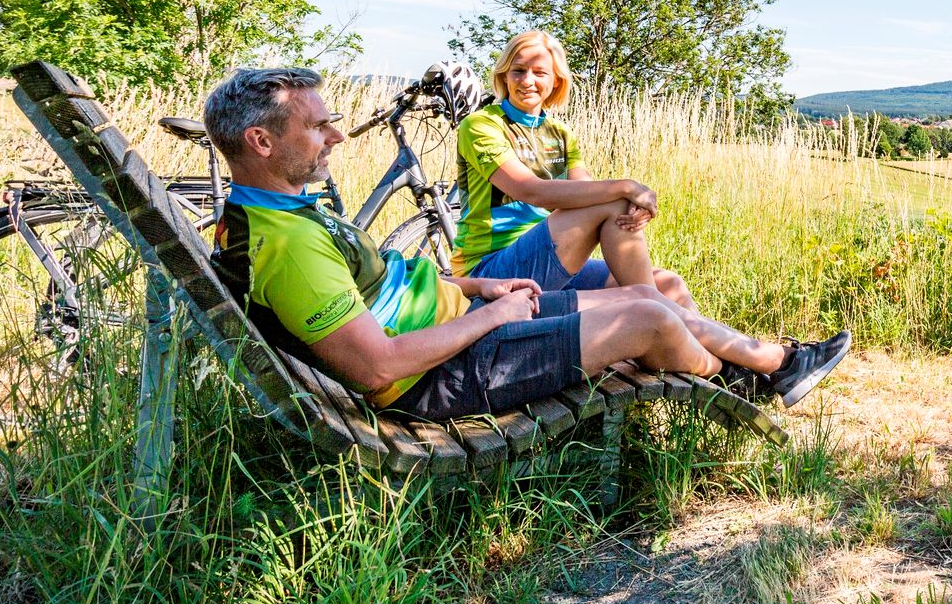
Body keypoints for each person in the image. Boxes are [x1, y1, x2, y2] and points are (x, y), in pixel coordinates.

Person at [202, 66, 846, 421]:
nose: (336, 138)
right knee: (650, 313)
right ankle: (756, 371)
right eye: (318, 128)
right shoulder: (285, 245)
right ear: (261, 142)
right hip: (445, 372)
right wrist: (492, 313)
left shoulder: (287, 211)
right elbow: (377, 369)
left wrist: (477, 288)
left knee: (658, 297)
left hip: (469, 324)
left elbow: (389, 283)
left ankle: (769, 366)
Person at [452, 30, 847, 404]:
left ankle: (731, 375)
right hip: (495, 271)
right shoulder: (482, 125)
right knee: (626, 236)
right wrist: (625, 188)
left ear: (556, 81)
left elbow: (585, 192)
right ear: (504, 74)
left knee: (668, 284)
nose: (527, 81)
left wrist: (624, 203)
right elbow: (530, 190)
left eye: (540, 72)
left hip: (553, 262)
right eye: (518, 70)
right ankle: (778, 362)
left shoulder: (559, 133)